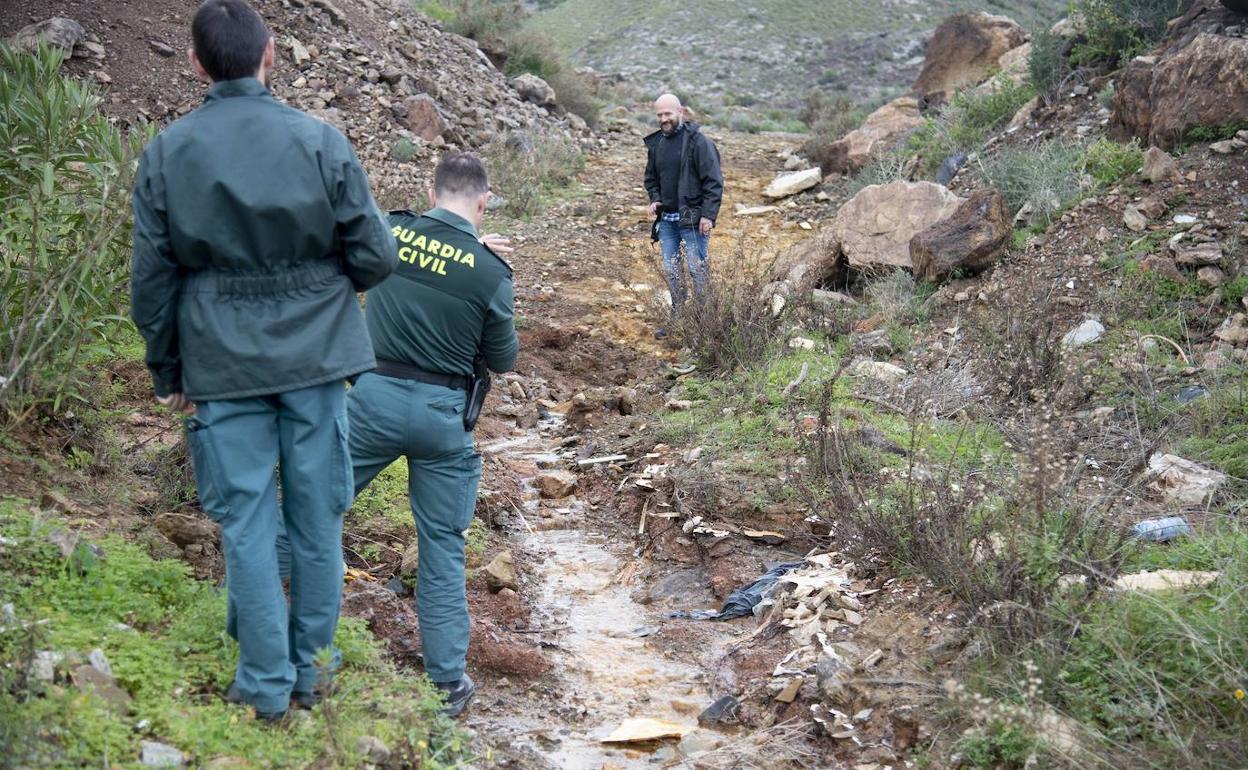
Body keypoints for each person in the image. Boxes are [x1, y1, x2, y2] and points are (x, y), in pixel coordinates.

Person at [129, 0, 396, 723]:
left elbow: (151, 280)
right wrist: (325, 289)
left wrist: (167, 370)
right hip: (317, 358)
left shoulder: (167, 152)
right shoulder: (320, 140)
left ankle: (264, 683)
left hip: (221, 362)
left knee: (244, 523)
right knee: (317, 520)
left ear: (196, 63)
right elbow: (375, 255)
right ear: (269, 53)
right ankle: (312, 672)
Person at [347, 152, 518, 717]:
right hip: (443, 418)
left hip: (371, 401)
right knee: (443, 548)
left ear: (431, 191)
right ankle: (446, 683)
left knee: (310, 507)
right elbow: (503, 359)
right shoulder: (490, 272)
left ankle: (249, 617)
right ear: (484, 202)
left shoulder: (390, 231)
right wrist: (478, 265)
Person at [643, 92, 724, 339]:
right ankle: (678, 319)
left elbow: (714, 181)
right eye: (659, 115)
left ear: (680, 112)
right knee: (672, 270)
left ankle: (704, 325)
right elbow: (651, 178)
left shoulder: (699, 142)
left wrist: (708, 215)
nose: (663, 119)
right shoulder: (657, 143)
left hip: (693, 217)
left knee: (697, 270)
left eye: (667, 113)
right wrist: (655, 198)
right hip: (667, 220)